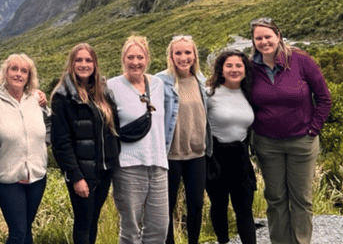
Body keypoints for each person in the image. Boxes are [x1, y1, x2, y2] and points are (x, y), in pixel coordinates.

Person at [249, 17, 332, 244]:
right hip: (267, 143)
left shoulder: (301, 60)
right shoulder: (251, 67)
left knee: (301, 199)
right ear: (253, 41)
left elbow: (324, 98)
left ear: (278, 36)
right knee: (275, 198)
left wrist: (313, 129)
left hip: (301, 142)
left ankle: (301, 241)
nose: (264, 41)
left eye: (268, 36)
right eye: (259, 38)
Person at [51, 43, 120, 244]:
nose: (84, 64)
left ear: (95, 64)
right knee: (83, 223)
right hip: (82, 174)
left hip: (103, 170)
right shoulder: (62, 95)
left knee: (93, 221)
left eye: (88, 60)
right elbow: (61, 142)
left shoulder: (102, 92)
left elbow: (112, 130)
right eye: (78, 60)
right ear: (71, 64)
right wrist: (76, 177)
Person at [109, 35, 169, 244]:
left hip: (158, 165)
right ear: (123, 59)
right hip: (128, 166)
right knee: (131, 230)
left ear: (148, 59)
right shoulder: (111, 87)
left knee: (159, 229)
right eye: (130, 57)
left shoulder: (159, 85)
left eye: (140, 57)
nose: (135, 62)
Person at [155, 36, 212, 244]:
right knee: (167, 208)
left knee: (196, 204)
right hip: (170, 154)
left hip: (197, 154)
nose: (183, 57)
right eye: (178, 53)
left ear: (194, 55)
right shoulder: (160, 81)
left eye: (188, 52)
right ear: (171, 56)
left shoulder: (201, 80)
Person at [0, 53, 49, 244]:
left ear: (29, 76)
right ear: (5, 72)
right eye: (13, 69)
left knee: (26, 231)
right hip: (8, 178)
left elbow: (48, 127)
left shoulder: (35, 99)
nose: (18, 74)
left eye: (24, 71)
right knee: (18, 232)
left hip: (37, 176)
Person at [205, 49, 257, 244]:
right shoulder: (209, 93)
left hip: (240, 157)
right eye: (229, 65)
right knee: (219, 206)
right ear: (221, 69)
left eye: (238, 65)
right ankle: (223, 241)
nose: (234, 69)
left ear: (245, 69)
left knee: (244, 209)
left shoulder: (249, 93)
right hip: (216, 159)